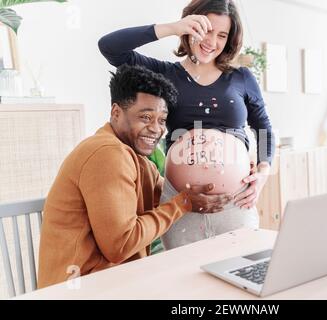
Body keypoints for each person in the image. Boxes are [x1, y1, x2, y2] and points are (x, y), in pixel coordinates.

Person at [98, 0, 274, 249]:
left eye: (222, 35)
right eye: (207, 30)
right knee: (185, 280)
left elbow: (263, 127)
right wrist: (172, 27)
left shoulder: (241, 78)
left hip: (236, 202)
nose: (212, 42)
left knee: (241, 272)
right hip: (181, 203)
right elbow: (110, 47)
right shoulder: (165, 74)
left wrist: (264, 171)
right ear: (190, 26)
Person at [37, 65, 232, 288]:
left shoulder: (135, 158)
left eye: (161, 120)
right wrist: (185, 202)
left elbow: (169, 192)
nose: (155, 129)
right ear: (116, 112)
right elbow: (121, 245)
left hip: (112, 281)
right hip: (78, 290)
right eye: (145, 117)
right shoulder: (108, 153)